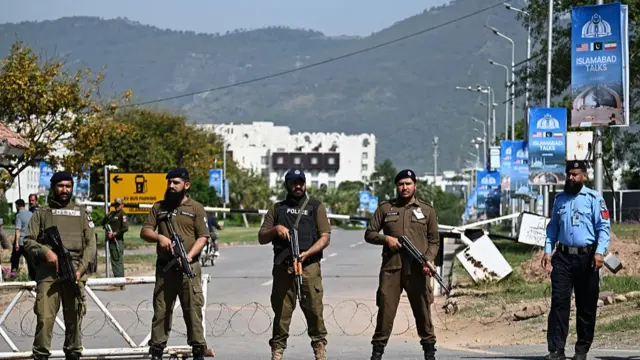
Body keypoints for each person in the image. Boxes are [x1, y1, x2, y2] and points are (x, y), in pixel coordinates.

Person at [364, 169, 440, 360]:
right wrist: (386, 239)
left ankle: (429, 354)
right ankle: (377, 353)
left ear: (415, 185)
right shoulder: (385, 209)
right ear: (396, 186)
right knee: (385, 313)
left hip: (417, 269)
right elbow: (370, 233)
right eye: (401, 184)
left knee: (423, 313)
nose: (404, 187)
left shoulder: (427, 210)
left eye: (408, 183)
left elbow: (434, 241)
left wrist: (428, 260)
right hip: (392, 269)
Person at [258, 168, 331, 360]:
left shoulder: (316, 207)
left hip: (309, 266)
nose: (298, 186)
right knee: (282, 312)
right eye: (293, 182)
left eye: (301, 182)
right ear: (287, 185)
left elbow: (325, 237)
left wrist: (308, 253)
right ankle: (278, 350)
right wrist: (276, 229)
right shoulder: (277, 209)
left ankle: (319, 348)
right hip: (284, 267)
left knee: (314, 309)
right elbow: (261, 237)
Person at [23, 171, 97, 360]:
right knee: (45, 320)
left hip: (74, 274)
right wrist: (45, 252)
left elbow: (91, 245)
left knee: (74, 322)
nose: (65, 190)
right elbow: (28, 241)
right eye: (61, 186)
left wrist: (80, 270)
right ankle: (41, 355)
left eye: (68, 186)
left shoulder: (82, 214)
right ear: (54, 187)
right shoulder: (42, 214)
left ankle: (73, 353)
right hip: (48, 275)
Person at [542, 160, 611, 360]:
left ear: (584, 176)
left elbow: (603, 229)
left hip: (587, 258)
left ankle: (581, 350)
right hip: (562, 257)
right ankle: (556, 349)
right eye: (569, 174)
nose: (571, 178)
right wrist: (548, 249)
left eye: (575, 174)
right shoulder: (559, 199)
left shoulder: (594, 199)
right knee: (559, 303)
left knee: (586, 306)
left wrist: (599, 253)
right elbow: (553, 226)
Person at [140, 168, 209, 360]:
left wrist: (189, 256)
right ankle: (156, 350)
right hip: (165, 267)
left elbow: (203, 237)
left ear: (186, 185)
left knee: (193, 310)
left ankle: (198, 350)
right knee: (161, 310)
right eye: (169, 182)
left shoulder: (196, 208)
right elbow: (144, 231)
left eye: (176, 182)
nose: (171, 186)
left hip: (189, 267)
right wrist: (159, 237)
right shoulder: (158, 207)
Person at [102, 197, 129, 283]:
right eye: (115, 204)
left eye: (118, 204)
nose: (116, 206)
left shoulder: (122, 214)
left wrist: (115, 234)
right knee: (114, 261)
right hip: (111, 241)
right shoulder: (112, 214)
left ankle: (120, 282)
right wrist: (106, 217)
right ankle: (117, 281)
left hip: (117, 241)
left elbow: (125, 228)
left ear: (122, 205)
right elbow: (103, 224)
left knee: (118, 261)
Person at [11, 199, 36, 280]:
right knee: (30, 262)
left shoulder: (18, 215)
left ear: (17, 206)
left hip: (21, 241)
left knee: (14, 261)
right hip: (29, 241)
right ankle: (33, 278)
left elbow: (17, 230)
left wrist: (16, 243)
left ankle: (13, 276)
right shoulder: (31, 214)